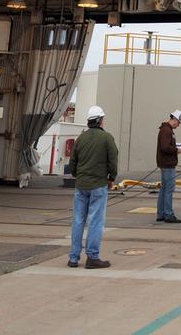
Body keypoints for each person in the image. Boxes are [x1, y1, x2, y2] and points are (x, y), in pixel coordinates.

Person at [68, 104, 118, 268]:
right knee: (95, 221)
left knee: (78, 221)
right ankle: (92, 257)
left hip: (81, 185)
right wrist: (111, 178)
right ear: (100, 121)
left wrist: (78, 175)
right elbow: (113, 161)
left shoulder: (81, 138)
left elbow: (73, 163)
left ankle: (74, 257)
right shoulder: (107, 138)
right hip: (98, 185)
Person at [155, 108, 181, 223]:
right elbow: (165, 147)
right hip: (167, 164)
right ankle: (168, 214)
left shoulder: (165, 130)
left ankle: (161, 213)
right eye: (178, 122)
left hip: (165, 163)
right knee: (169, 190)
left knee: (164, 189)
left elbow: (165, 146)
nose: (178, 125)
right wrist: (176, 150)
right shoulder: (167, 131)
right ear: (174, 119)